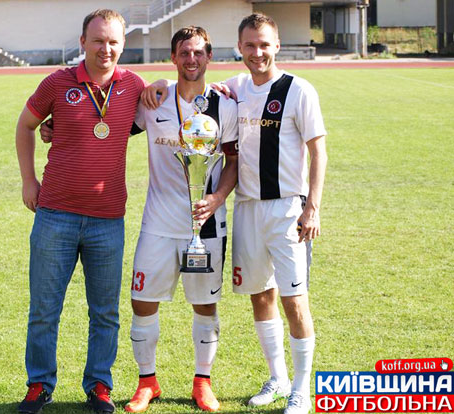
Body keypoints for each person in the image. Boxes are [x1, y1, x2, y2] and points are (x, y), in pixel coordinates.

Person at [142, 13, 327, 414]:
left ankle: (301, 388)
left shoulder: (299, 90)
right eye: (250, 45)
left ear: (277, 46)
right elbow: (193, 88)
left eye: (265, 45)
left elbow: (319, 151)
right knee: (261, 296)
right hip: (246, 208)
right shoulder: (235, 89)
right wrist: (159, 84)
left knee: (295, 300)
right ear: (239, 48)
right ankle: (278, 378)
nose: (257, 52)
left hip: (287, 208)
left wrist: (312, 207)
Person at [15, 9, 146, 414]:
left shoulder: (134, 85)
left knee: (105, 313)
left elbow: (167, 105)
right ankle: (40, 384)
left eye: (113, 41)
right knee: (44, 309)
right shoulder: (58, 82)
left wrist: (192, 87)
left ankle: (99, 385)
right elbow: (26, 125)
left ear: (123, 44)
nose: (106, 48)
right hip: (55, 214)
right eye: (98, 40)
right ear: (83, 42)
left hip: (108, 220)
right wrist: (29, 180)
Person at [125, 27, 238, 413]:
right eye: (184, 53)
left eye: (198, 53)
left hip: (206, 225)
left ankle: (202, 382)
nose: (192, 59)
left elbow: (234, 161)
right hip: (158, 223)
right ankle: (147, 382)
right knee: (142, 302)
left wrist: (217, 198)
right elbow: (109, 129)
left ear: (209, 57)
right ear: (173, 57)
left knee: (205, 305)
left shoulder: (225, 106)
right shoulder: (153, 100)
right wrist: (54, 128)